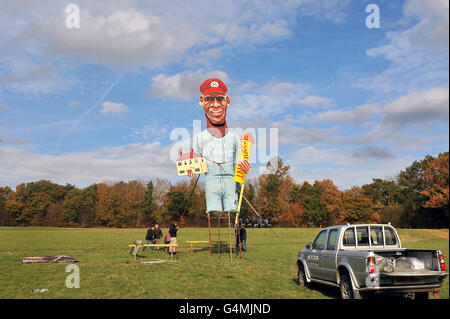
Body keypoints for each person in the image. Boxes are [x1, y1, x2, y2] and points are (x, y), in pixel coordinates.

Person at [188, 78, 253, 213]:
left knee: (232, 212)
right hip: (211, 181)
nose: (215, 105)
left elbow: (243, 155)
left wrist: (244, 157)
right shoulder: (198, 139)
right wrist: (191, 167)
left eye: (219, 99)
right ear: (201, 101)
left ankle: (233, 231)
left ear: (227, 101)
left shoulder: (235, 137)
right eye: (209, 99)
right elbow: (192, 161)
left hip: (230, 180)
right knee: (214, 213)